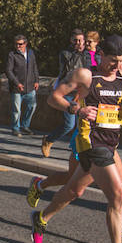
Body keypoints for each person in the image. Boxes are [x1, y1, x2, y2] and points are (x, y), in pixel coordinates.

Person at [30, 34, 122, 243]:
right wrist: (77, 109)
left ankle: (41, 218)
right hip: (91, 143)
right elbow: (54, 98)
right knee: (118, 196)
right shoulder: (86, 76)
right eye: (113, 61)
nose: (118, 66)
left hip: (111, 143)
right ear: (100, 54)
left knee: (74, 191)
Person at [40, 29, 86, 157]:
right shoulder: (66, 53)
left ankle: (78, 147)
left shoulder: (88, 54)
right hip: (68, 91)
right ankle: (49, 140)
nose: (78, 43)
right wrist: (78, 52)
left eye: (80, 40)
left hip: (82, 92)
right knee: (69, 124)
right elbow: (69, 70)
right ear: (71, 41)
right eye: (75, 40)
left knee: (83, 123)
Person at [5, 34, 39, 136]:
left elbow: (34, 67)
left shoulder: (30, 53)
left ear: (25, 44)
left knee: (32, 106)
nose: (18, 46)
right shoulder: (12, 55)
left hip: (30, 86)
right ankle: (15, 128)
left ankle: (25, 125)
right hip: (17, 87)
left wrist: (37, 80)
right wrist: (17, 83)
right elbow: (8, 71)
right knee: (17, 110)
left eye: (20, 44)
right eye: (16, 44)